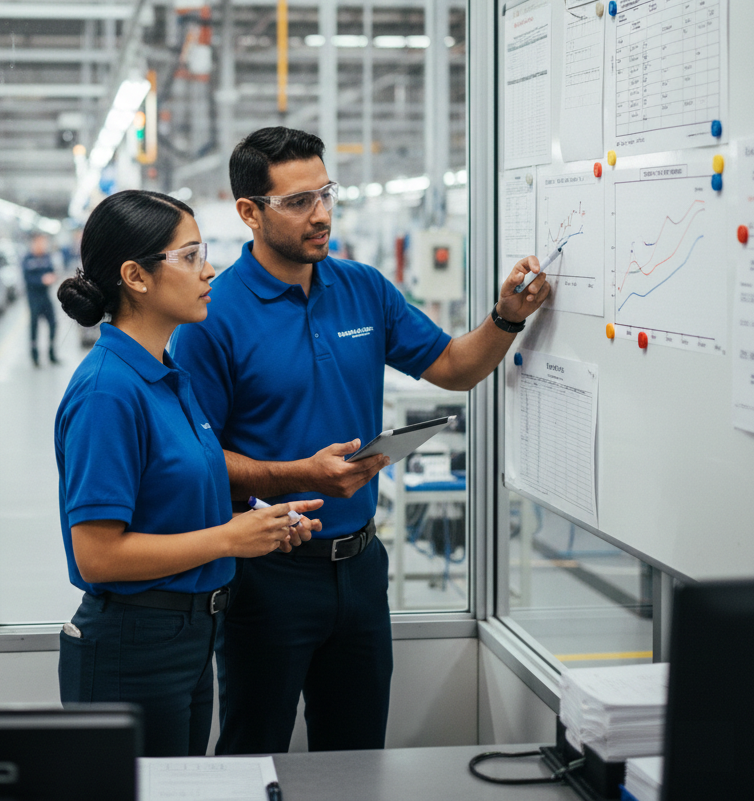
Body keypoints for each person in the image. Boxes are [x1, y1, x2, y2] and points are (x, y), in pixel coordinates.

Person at [170, 127, 551, 755]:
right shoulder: (213, 314)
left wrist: (507, 316)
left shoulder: (363, 288)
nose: (321, 214)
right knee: (252, 748)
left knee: (356, 756)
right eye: (298, 202)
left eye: (325, 193)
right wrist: (301, 475)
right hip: (267, 577)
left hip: (361, 569)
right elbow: (202, 462)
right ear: (248, 213)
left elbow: (454, 368)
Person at [54, 189, 323, 757]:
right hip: (133, 644)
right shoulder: (108, 391)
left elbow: (179, 495)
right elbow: (97, 556)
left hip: (188, 638)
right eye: (191, 256)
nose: (209, 271)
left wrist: (260, 522)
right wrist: (230, 539)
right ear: (136, 276)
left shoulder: (168, 375)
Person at [22, 233, 59, 366]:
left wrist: (52, 277)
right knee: (34, 326)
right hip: (33, 298)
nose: (43, 246)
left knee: (53, 323)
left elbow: (52, 271)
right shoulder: (27, 259)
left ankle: (51, 352)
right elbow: (27, 279)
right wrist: (42, 280)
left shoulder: (47, 257)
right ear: (34, 243)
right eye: (40, 243)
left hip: (45, 297)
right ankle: (34, 355)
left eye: (44, 243)